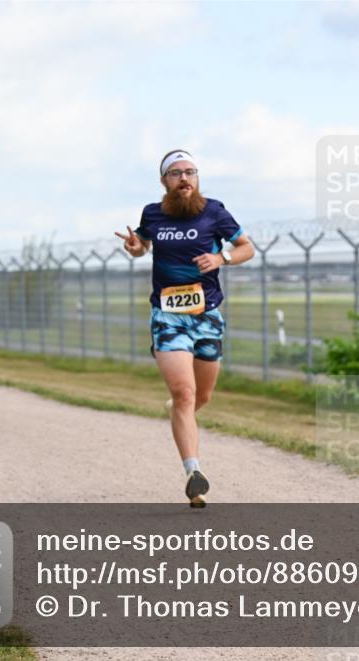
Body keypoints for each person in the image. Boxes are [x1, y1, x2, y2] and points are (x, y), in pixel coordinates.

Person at [115, 149, 255, 507]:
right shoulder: (153, 213)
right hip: (167, 316)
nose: (184, 178)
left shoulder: (214, 212)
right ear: (164, 181)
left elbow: (246, 248)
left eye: (190, 172)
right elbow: (143, 244)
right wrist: (135, 248)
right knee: (185, 394)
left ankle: (179, 414)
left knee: (201, 397)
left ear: (198, 177)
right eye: (176, 173)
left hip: (207, 314)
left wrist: (220, 257)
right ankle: (194, 473)